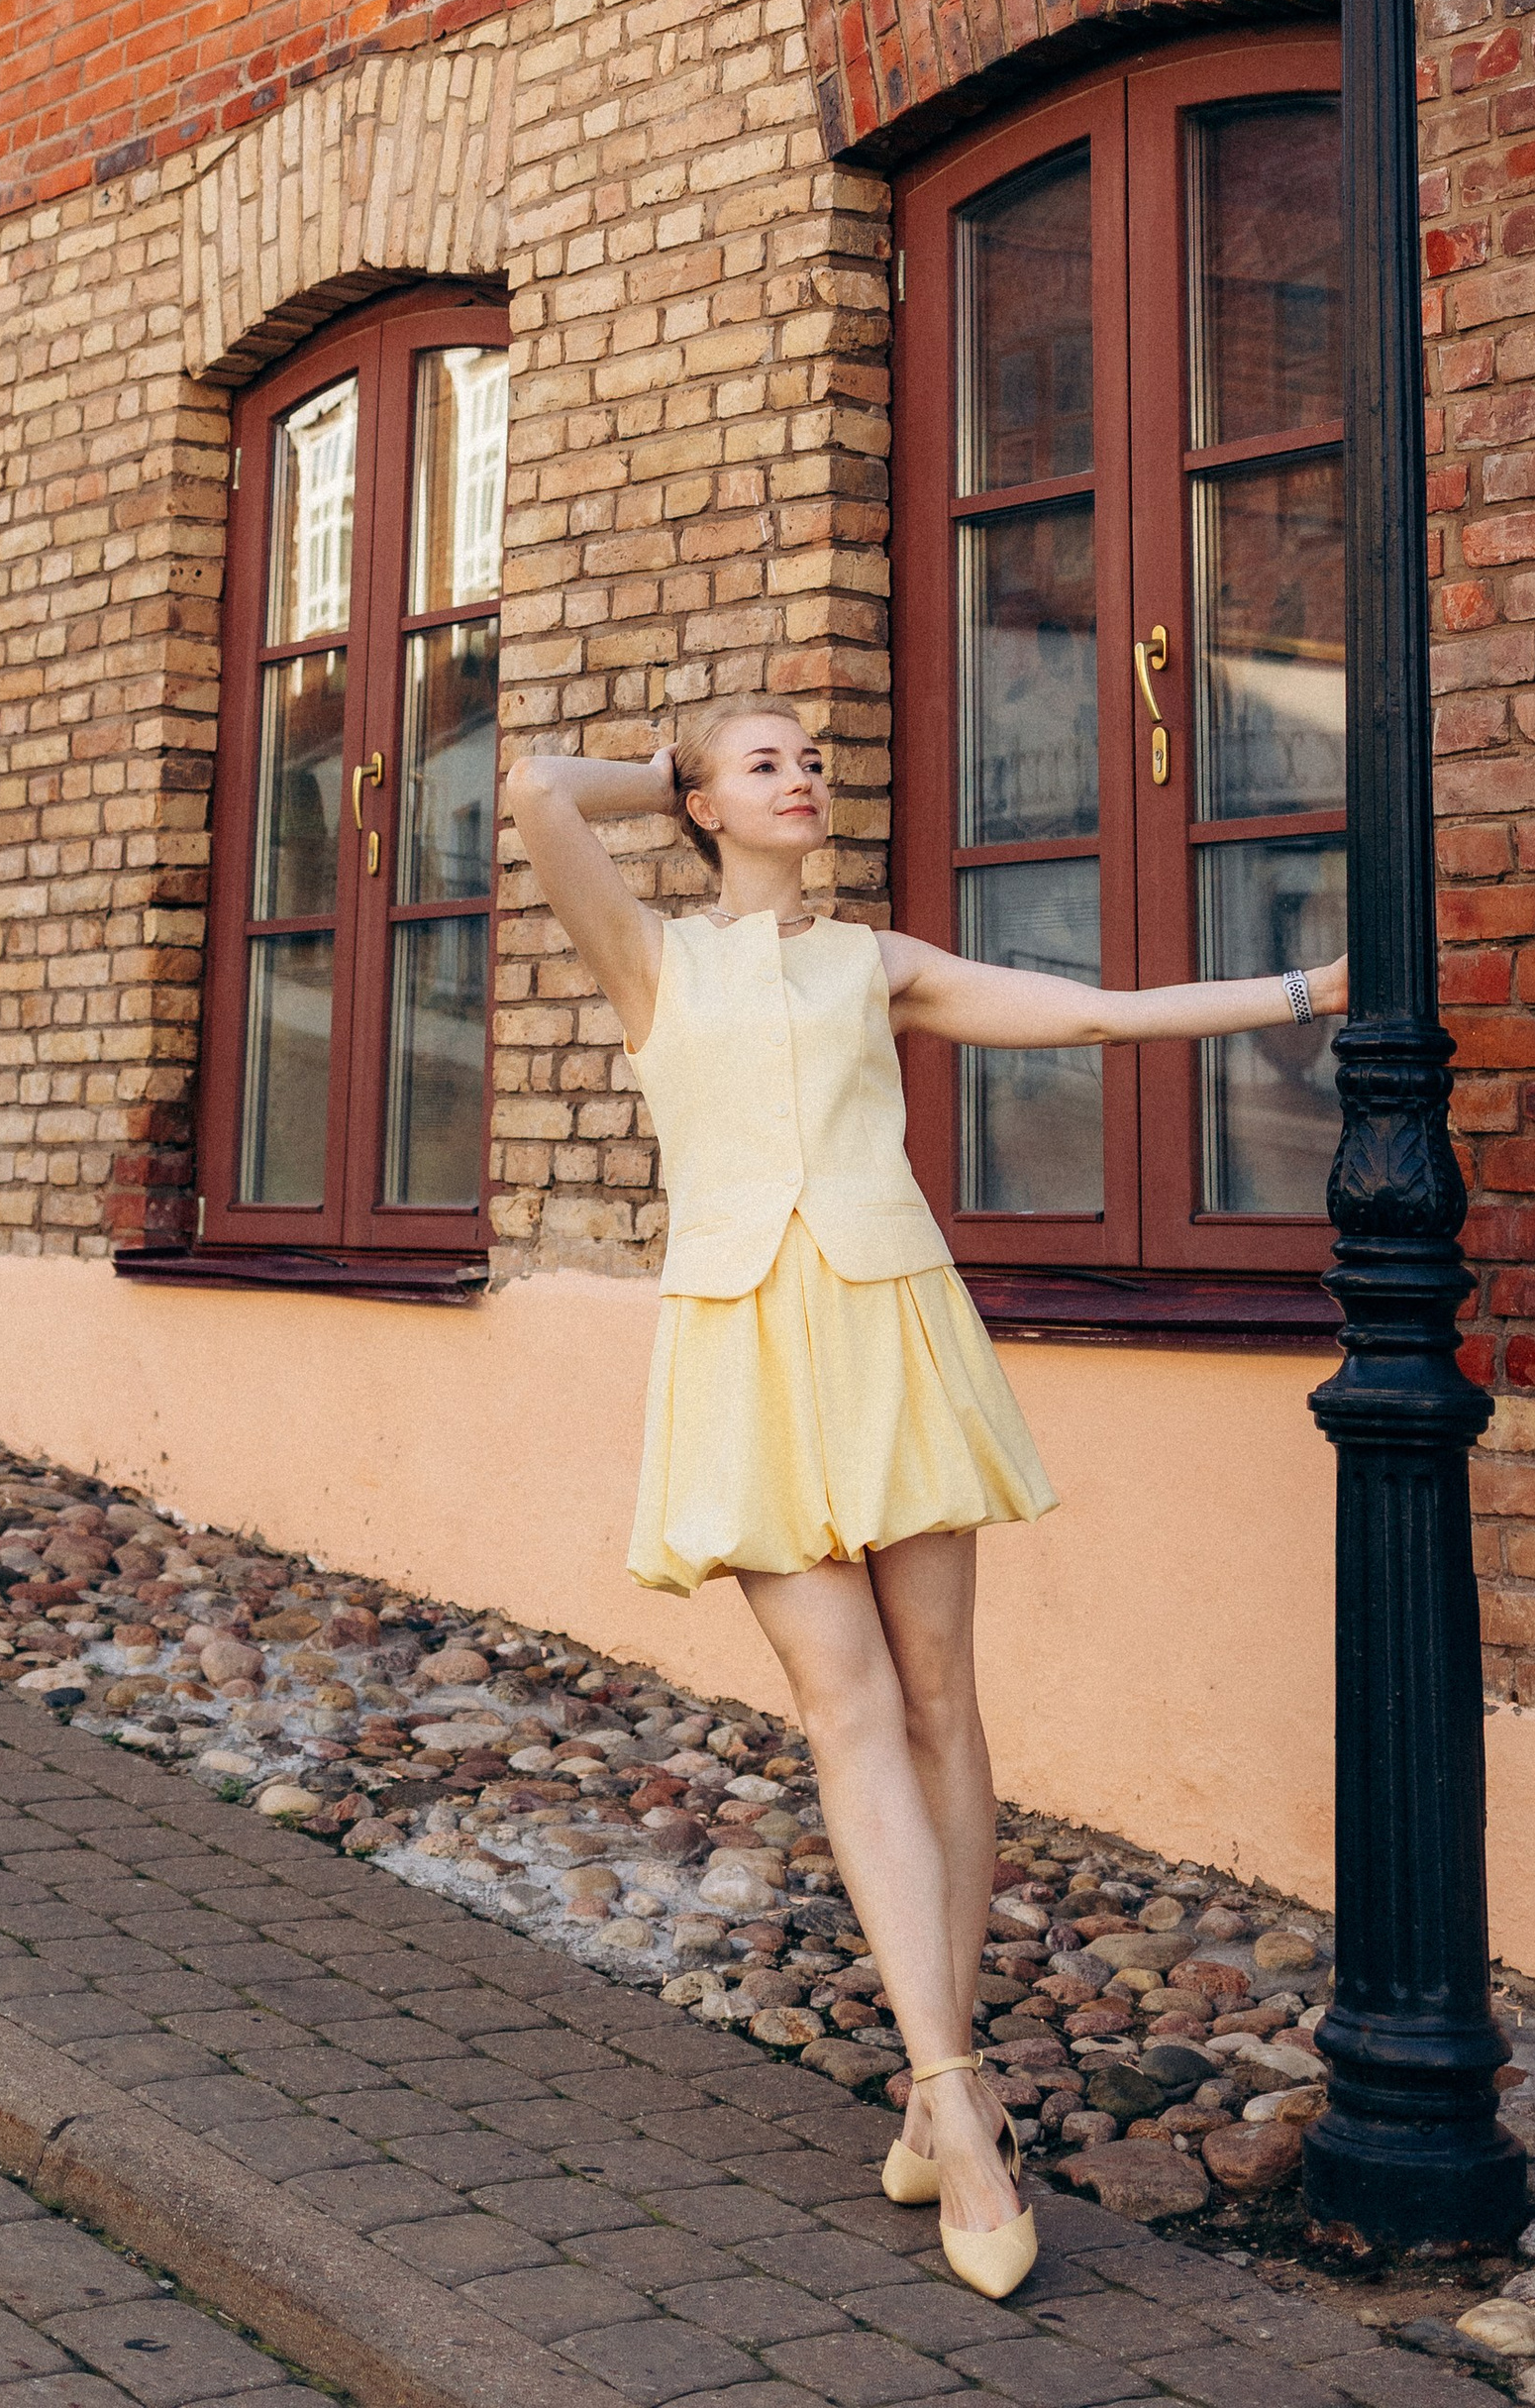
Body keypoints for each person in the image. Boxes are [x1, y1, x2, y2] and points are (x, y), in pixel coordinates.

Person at [505, 697, 1349, 2303]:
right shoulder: (654, 961)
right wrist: (675, 766)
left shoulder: (875, 962)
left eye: (814, 755)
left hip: (890, 1327)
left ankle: (927, 2071)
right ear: (702, 805)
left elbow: (1093, 1019)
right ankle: (958, 2104)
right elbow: (539, 787)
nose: (806, 774)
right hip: (743, 1354)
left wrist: (1305, 988)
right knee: (848, 1710)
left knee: (945, 1700)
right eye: (769, 763)